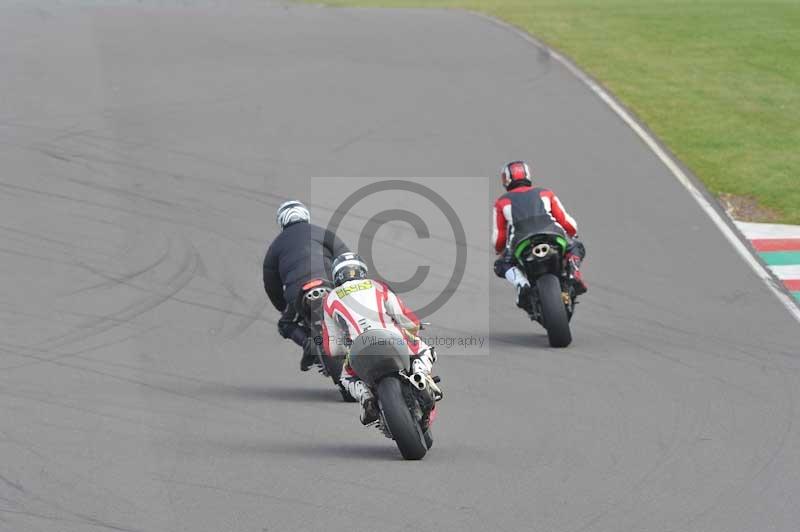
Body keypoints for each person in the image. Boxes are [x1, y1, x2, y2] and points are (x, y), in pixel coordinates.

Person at [321, 252, 437, 425]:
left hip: (359, 348)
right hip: (392, 337)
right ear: (362, 270)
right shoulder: (378, 286)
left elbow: (333, 348)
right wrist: (414, 327)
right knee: (424, 350)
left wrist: (347, 349)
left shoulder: (329, 299)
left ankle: (366, 398)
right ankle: (420, 375)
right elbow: (403, 316)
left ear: (337, 276)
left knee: (345, 377)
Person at [263, 200, 350, 370]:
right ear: (306, 216)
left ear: (282, 222)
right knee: (352, 310)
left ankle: (308, 343)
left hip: (298, 293)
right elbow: (345, 256)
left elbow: (270, 284)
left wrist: (282, 307)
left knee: (285, 324)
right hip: (330, 284)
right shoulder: (323, 232)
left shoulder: (275, 246)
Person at [491, 161, 587, 310]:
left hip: (521, 242)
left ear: (506, 180)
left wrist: (500, 250)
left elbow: (499, 238)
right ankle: (573, 272)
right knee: (576, 247)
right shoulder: (545, 193)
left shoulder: (501, 203)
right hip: (553, 234)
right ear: (527, 175)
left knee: (501, 264)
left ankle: (521, 283)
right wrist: (573, 233)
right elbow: (566, 221)